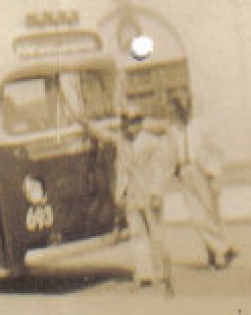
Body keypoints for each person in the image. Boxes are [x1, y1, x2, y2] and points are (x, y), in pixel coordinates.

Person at [78, 104, 172, 291]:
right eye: (127, 124)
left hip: (150, 194)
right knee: (137, 235)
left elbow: (160, 169)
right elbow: (104, 135)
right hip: (132, 195)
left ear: (140, 123)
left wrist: (156, 192)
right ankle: (145, 274)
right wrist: (86, 124)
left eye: (133, 123)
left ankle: (162, 271)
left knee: (156, 233)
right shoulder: (122, 141)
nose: (130, 128)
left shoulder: (152, 143)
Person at [164, 93, 239, 269]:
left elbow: (216, 150)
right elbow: (170, 154)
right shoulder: (173, 131)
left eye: (176, 109)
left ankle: (217, 254)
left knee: (210, 215)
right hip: (184, 172)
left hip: (203, 172)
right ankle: (223, 249)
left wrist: (213, 174)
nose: (173, 114)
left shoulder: (200, 127)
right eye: (171, 111)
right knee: (197, 217)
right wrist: (174, 171)